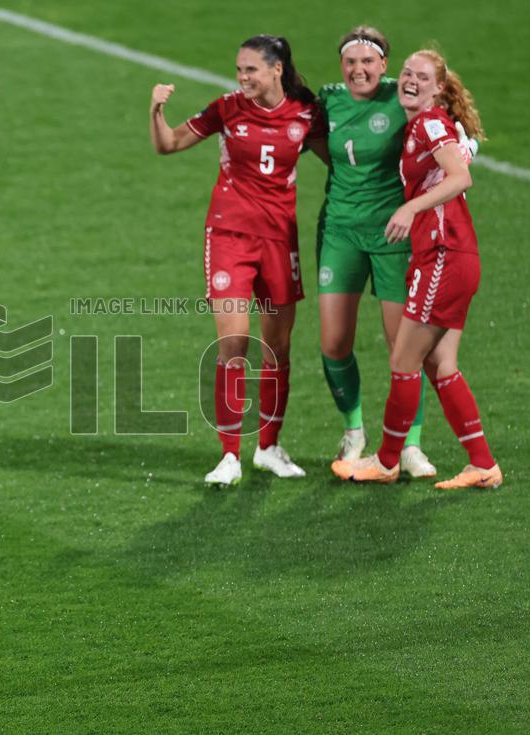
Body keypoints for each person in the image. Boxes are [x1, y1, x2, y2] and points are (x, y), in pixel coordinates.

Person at [149, 35, 327, 486]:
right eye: (239, 70)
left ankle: (268, 447)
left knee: (278, 348)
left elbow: (342, 165)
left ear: (277, 70)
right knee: (234, 345)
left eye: (251, 69)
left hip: (279, 240)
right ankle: (229, 455)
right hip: (229, 236)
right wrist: (156, 112)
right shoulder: (227, 108)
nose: (243, 78)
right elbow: (168, 144)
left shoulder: (306, 114)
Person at [331, 50, 502, 489]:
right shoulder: (427, 126)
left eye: (421, 76)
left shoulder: (428, 124)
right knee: (441, 366)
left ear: (438, 88)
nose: (409, 80)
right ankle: (482, 464)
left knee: (404, 359)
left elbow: (460, 177)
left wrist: (410, 207)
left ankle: (387, 461)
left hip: (444, 255)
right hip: (456, 257)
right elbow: (455, 162)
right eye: (406, 73)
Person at [315, 26, 437, 478]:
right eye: (350, 62)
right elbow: (305, 133)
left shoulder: (401, 98)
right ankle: (354, 432)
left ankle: (411, 445)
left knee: (403, 346)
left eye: (368, 62)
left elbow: (449, 126)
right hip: (341, 232)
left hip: (393, 236)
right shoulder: (328, 101)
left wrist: (466, 148)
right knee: (333, 342)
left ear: (384, 65)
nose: (358, 69)